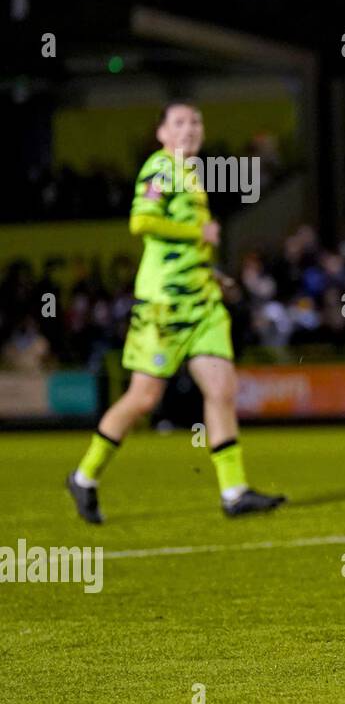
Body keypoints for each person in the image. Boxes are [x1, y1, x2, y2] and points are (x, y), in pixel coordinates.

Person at [66, 102, 285, 523]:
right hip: (164, 305)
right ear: (163, 133)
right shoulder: (160, 168)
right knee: (143, 398)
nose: (190, 129)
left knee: (221, 389)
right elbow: (140, 222)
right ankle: (85, 475)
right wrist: (196, 232)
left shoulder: (189, 174)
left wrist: (210, 271)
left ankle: (234, 491)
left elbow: (180, 245)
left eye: (196, 122)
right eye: (179, 122)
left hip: (202, 303)